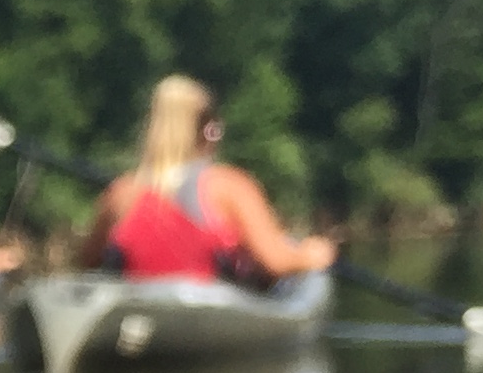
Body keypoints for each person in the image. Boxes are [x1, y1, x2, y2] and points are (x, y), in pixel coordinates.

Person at [80, 77, 333, 285]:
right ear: (206, 132)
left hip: (138, 314)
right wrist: (312, 256)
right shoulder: (228, 187)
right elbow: (275, 261)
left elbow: (87, 261)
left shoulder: (121, 193)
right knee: (289, 248)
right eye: (215, 129)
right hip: (211, 312)